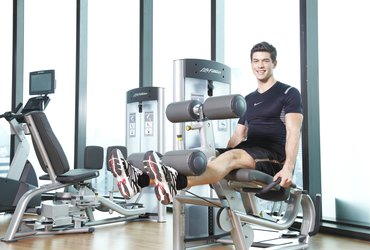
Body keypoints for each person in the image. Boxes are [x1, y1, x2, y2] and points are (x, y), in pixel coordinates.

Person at [108, 41, 303, 205]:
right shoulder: (249, 98)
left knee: (232, 156)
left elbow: (294, 132)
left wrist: (288, 168)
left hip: (272, 156)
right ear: (251, 64)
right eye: (256, 61)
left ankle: (173, 182)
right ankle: (139, 179)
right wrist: (219, 160)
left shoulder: (288, 93)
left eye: (265, 61)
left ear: (274, 63)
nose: (260, 65)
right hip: (247, 150)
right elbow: (238, 135)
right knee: (199, 157)